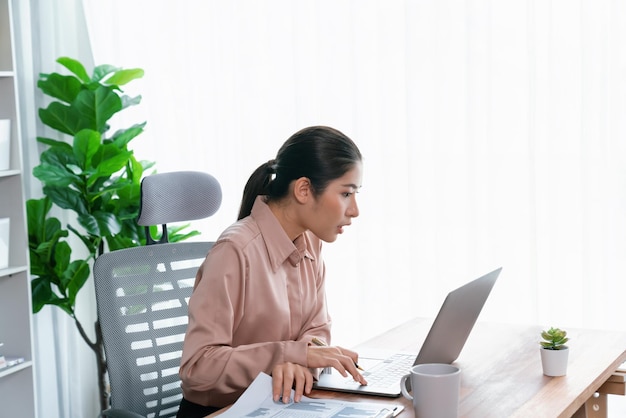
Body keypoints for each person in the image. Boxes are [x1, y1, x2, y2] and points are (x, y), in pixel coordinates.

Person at [176, 125, 367, 417]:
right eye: (346, 194)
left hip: (279, 403)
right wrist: (291, 355)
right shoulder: (235, 251)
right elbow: (199, 367)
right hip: (223, 411)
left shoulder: (310, 242)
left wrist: (299, 361)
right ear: (304, 189)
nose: (354, 210)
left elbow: (316, 330)